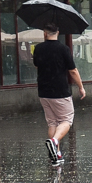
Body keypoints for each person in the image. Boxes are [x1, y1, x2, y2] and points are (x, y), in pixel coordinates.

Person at [33, 23, 84, 164]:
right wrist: (81, 87)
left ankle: (56, 155)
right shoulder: (63, 49)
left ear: (45, 33)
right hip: (60, 90)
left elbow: (37, 64)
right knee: (67, 119)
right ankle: (55, 142)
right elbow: (72, 70)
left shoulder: (38, 48)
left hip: (43, 91)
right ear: (58, 32)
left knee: (52, 122)